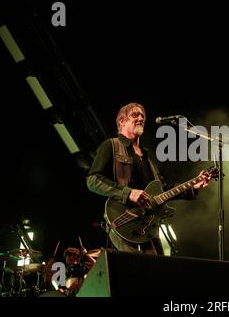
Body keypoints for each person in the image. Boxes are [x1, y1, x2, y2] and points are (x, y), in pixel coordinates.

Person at [86, 102, 211, 255]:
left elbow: (163, 190)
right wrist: (128, 193)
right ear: (122, 121)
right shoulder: (111, 145)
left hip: (149, 225)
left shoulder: (147, 157)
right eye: (134, 115)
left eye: (142, 116)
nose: (140, 118)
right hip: (124, 219)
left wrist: (193, 186)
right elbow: (93, 180)